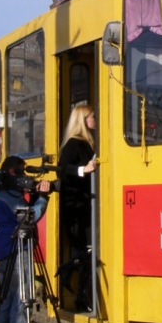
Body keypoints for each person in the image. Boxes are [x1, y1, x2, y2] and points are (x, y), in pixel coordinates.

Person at [0, 156, 51, 323]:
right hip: (17, 251)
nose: (25, 177)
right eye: (22, 172)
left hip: (5, 251)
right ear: (12, 173)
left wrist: (33, 194)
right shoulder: (10, 197)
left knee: (6, 302)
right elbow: (29, 217)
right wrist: (42, 197)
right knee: (21, 301)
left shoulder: (0, 195)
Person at [56, 104, 96, 312]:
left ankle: (81, 294)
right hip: (78, 207)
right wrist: (84, 169)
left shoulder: (90, 142)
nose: (95, 120)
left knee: (89, 250)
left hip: (88, 204)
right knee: (88, 249)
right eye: (92, 117)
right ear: (83, 120)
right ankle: (69, 271)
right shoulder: (74, 143)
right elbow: (62, 170)